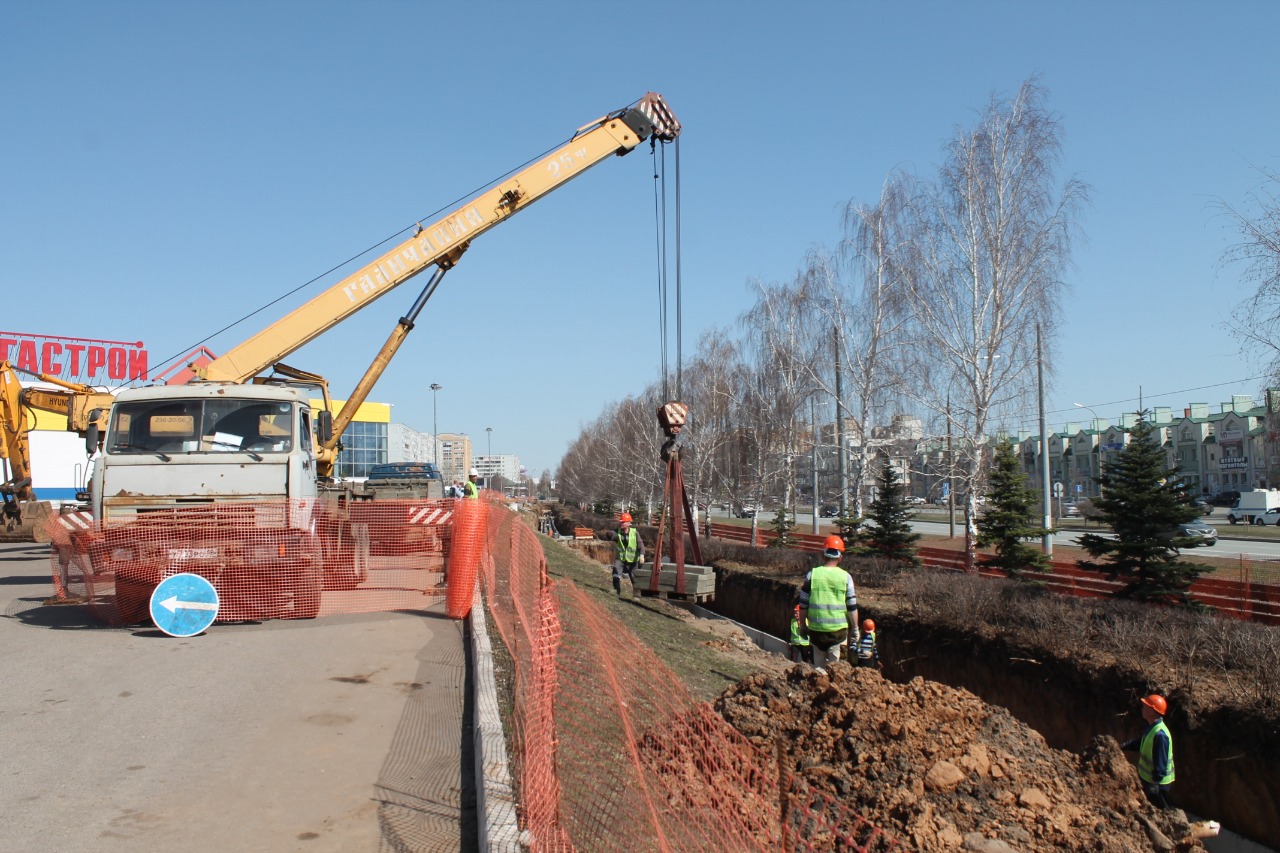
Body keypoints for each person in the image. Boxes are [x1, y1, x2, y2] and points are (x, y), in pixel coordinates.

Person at [797, 535, 858, 670]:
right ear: (840, 557)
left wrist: (803, 626)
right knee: (837, 672)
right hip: (839, 634)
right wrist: (855, 629)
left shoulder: (812, 575)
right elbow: (852, 606)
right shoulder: (846, 577)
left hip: (816, 633)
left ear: (823, 555)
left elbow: (803, 605)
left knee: (817, 671)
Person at [1121, 693, 1175, 809]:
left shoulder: (1160, 735)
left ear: (1152, 711)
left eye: (1145, 707)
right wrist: (1124, 746)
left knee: (1163, 811)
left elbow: (1161, 762)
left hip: (1158, 785)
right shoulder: (1153, 728)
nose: (1142, 708)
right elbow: (1142, 743)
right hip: (1150, 781)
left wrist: (1155, 784)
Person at [611, 512, 645, 597]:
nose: (621, 523)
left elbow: (641, 545)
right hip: (621, 558)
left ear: (628, 523)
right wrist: (609, 534)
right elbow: (612, 535)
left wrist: (642, 555)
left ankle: (637, 595)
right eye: (621, 522)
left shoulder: (635, 533)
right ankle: (616, 590)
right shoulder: (617, 531)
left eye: (623, 522)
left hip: (633, 560)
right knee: (616, 573)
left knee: (634, 577)